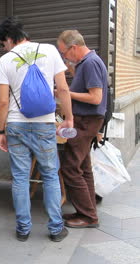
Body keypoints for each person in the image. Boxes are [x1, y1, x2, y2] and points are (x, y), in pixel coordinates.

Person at [0, 17, 74, 242]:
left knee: (20, 177)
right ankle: (56, 229)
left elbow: (2, 102)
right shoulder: (49, 50)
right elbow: (63, 89)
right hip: (44, 124)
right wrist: (68, 118)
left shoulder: (5, 60)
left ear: (9, 38)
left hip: (17, 125)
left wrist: (1, 132)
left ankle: (23, 229)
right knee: (50, 176)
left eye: (3, 43)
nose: (4, 47)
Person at [57, 30, 108, 228]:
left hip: (86, 120)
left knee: (70, 167)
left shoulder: (91, 63)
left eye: (65, 53)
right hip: (87, 120)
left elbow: (95, 98)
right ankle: (87, 211)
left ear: (74, 47)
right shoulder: (88, 63)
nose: (64, 56)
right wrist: (70, 69)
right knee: (83, 167)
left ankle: (88, 217)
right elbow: (86, 87)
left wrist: (66, 93)